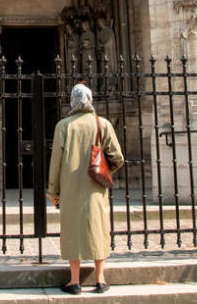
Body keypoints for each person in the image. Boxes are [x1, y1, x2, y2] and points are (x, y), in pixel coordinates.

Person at [47, 83, 124, 295]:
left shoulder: (63, 126)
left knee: (73, 231)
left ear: (72, 101)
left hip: (71, 189)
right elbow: (118, 157)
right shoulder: (103, 124)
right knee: (98, 229)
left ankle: (74, 281)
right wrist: (105, 171)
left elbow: (56, 162)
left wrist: (53, 190)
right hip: (95, 188)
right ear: (90, 100)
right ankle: (100, 279)